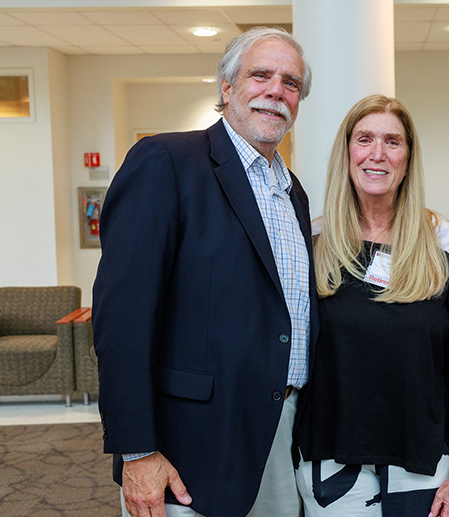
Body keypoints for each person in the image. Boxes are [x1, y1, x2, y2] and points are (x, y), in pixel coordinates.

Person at [92, 27, 317, 517]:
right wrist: (137, 450)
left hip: (282, 432)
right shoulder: (167, 161)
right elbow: (121, 318)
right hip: (189, 447)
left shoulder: (292, 192)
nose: (276, 91)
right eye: (261, 75)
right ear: (228, 87)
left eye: (291, 83)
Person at [293, 94, 449, 517]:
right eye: (365, 139)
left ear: (408, 158)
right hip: (332, 454)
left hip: (423, 456)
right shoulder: (313, 241)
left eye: (393, 142)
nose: (378, 154)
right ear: (347, 152)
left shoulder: (444, 243)